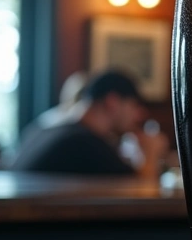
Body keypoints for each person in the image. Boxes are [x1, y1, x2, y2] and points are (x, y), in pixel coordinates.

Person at [11, 70, 169, 178]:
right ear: (112, 102)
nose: (140, 115)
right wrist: (151, 153)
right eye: (134, 105)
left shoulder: (52, 130)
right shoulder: (85, 143)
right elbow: (137, 191)